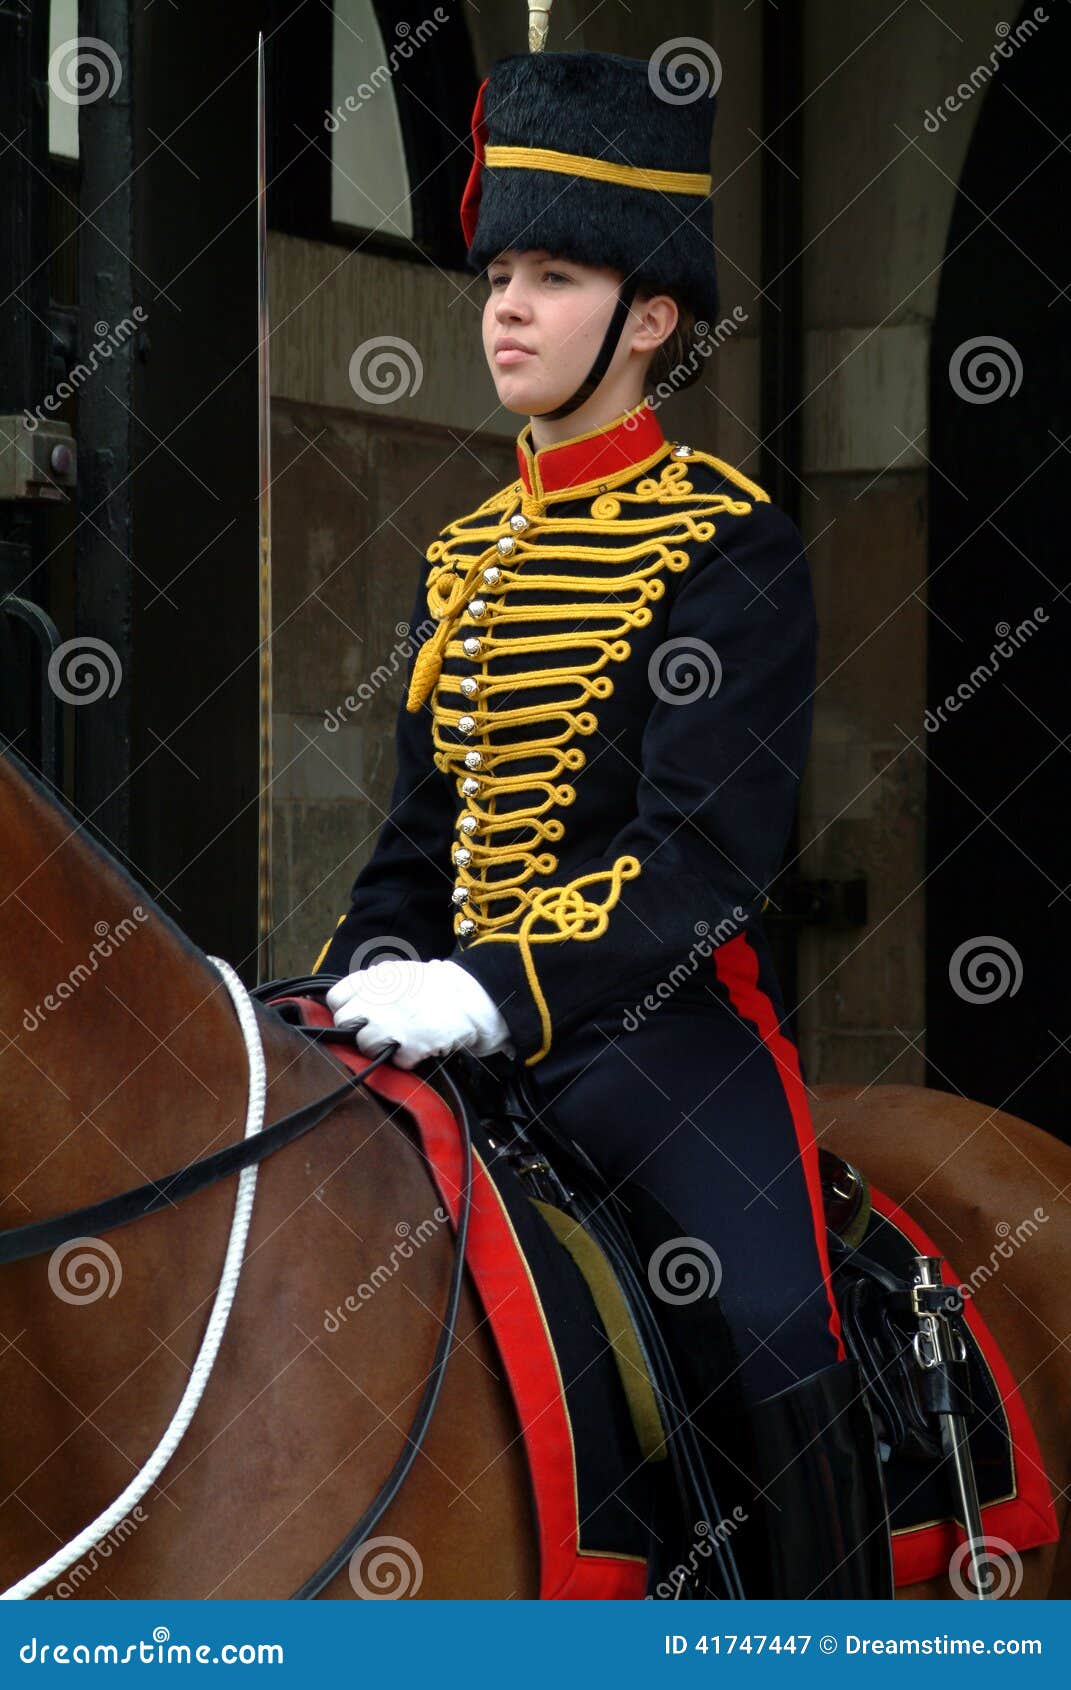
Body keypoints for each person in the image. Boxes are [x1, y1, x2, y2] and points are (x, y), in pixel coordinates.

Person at [311, 41, 893, 1598]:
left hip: (659, 1047)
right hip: (451, 1035)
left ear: (648, 320)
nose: (504, 304)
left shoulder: (727, 548)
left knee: (771, 1318)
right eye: (499, 270)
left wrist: (488, 988)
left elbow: (704, 866)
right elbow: (410, 851)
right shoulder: (463, 561)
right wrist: (363, 975)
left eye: (553, 274)